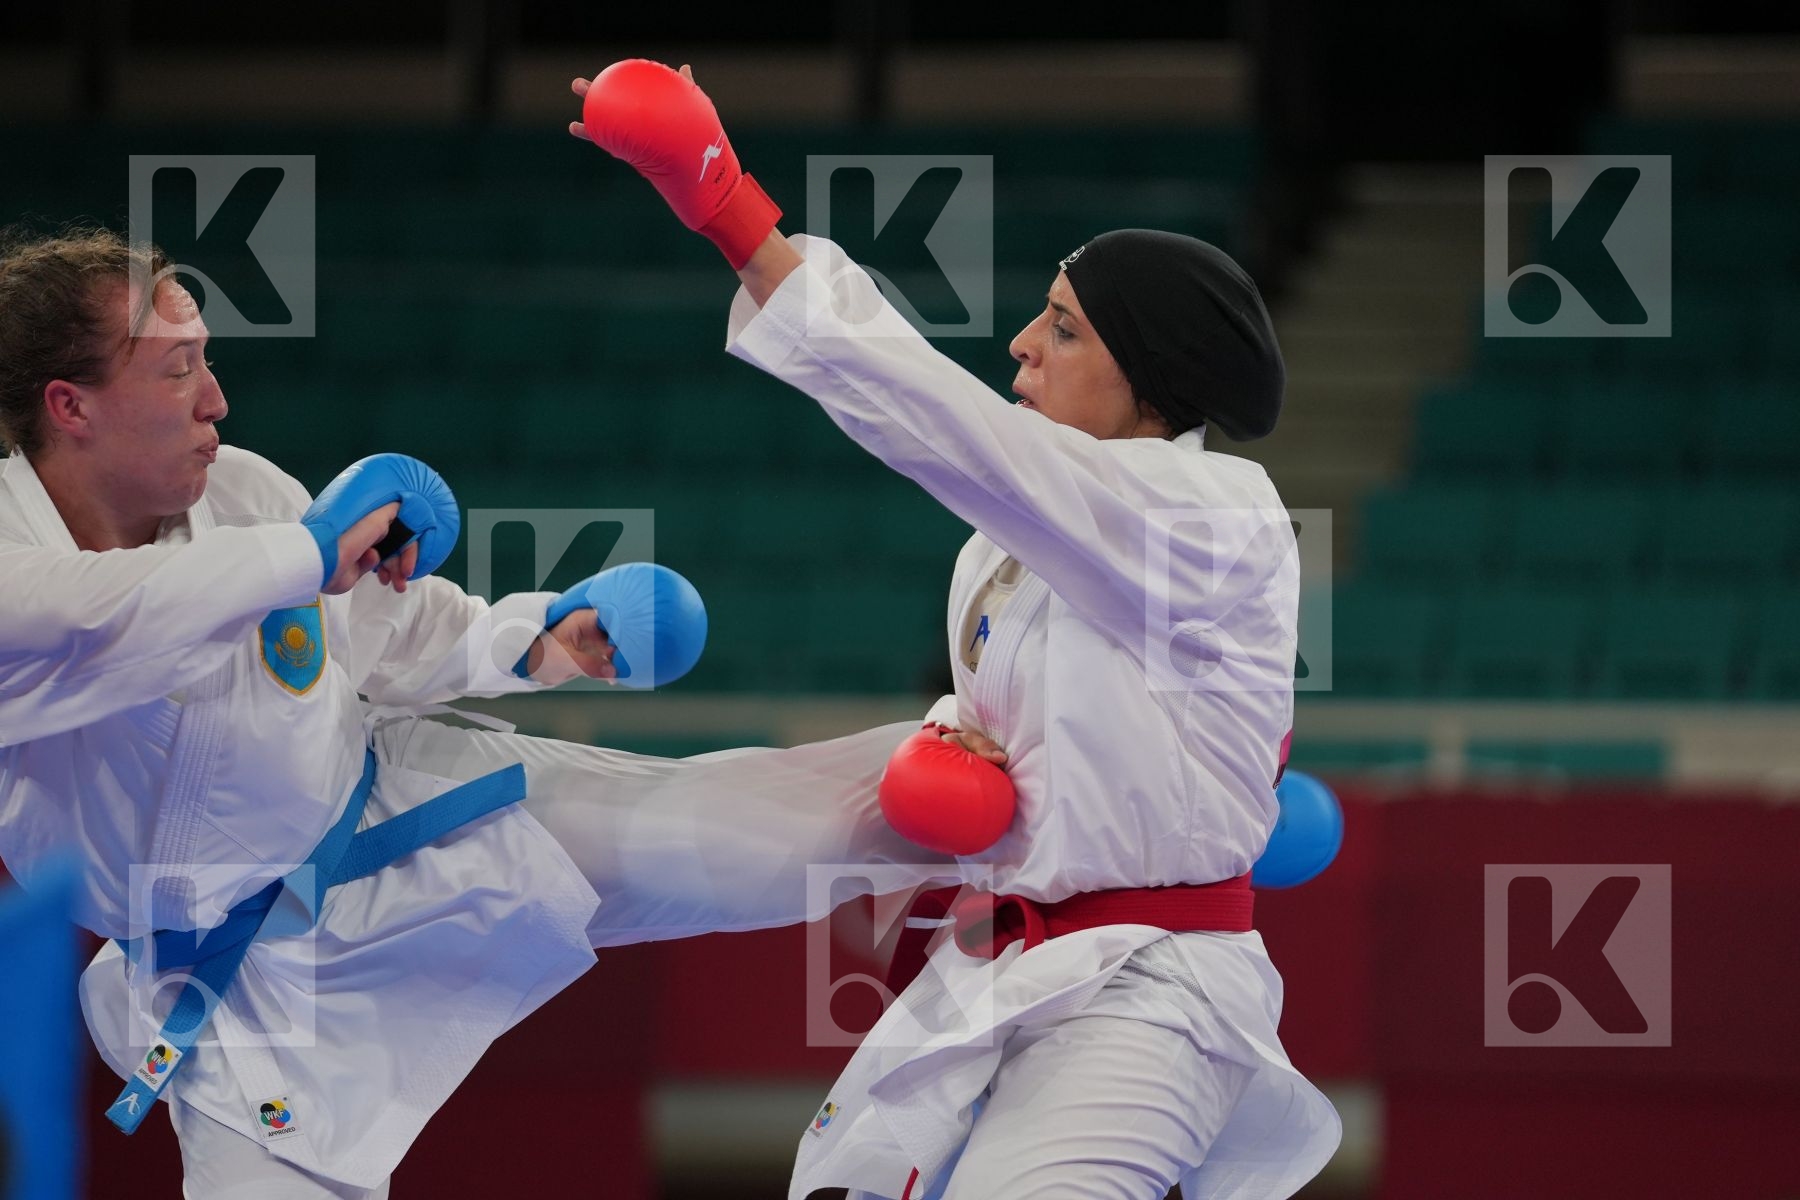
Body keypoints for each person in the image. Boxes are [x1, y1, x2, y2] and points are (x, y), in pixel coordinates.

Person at [0, 226, 943, 1198]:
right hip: (245, 993)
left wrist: (545, 637)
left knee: (767, 834)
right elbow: (109, 617)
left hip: (401, 826)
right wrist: (310, 549)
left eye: (208, 360)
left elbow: (384, 634)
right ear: (71, 406)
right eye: (178, 370)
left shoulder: (243, 494)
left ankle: (1010, 761)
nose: (215, 399)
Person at [572, 59, 1342, 1200]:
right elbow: (1043, 711)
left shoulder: (1213, 516)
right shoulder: (1000, 551)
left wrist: (735, 214)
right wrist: (951, 742)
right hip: (999, 967)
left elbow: (952, 430)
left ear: (1154, 385)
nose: (1023, 342)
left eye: (1065, 329)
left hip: (1151, 992)